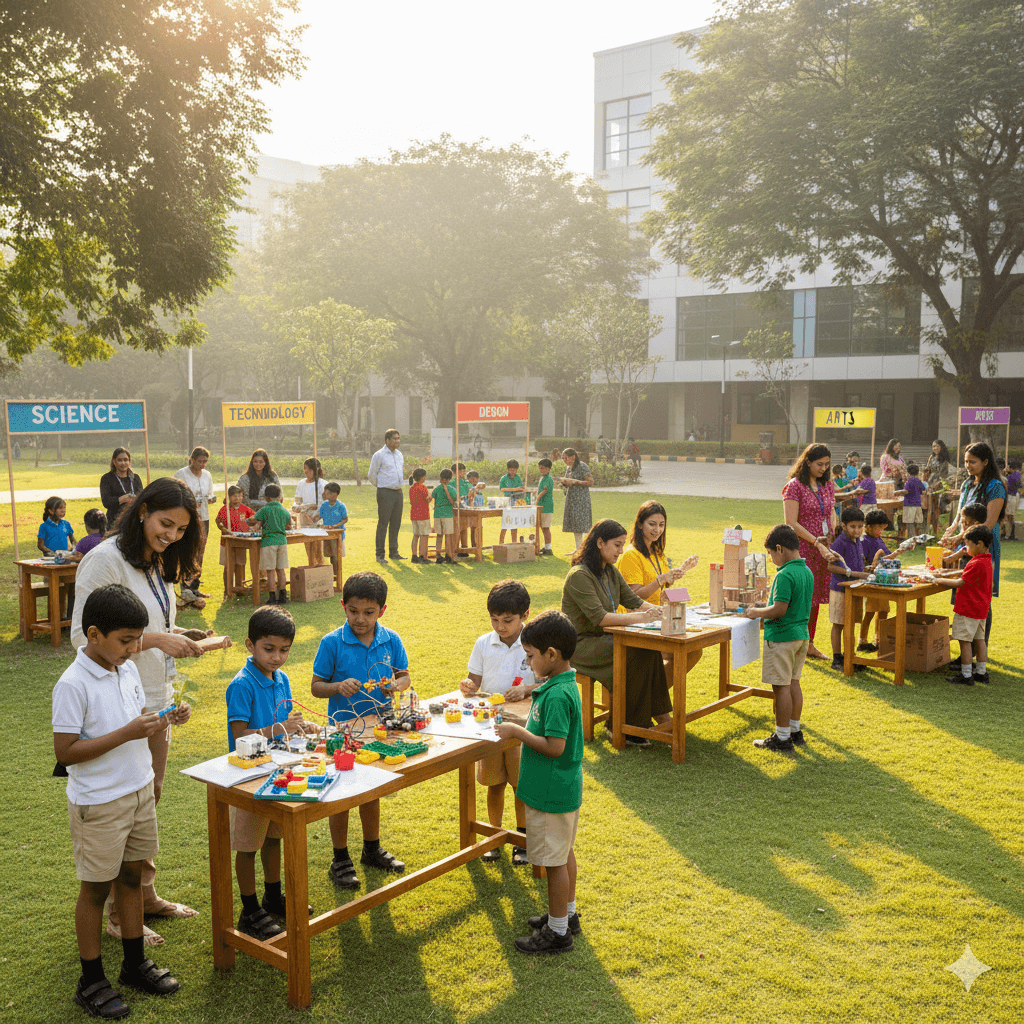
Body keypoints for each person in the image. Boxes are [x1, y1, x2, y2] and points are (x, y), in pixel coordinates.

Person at [71, 478, 206, 943]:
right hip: (115, 707)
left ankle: (144, 896)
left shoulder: (155, 560)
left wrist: (179, 634)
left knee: (149, 798)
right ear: (143, 510)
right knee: (120, 807)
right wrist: (157, 639)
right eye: (165, 524)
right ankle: (116, 915)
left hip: (155, 697)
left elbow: (147, 624)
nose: (171, 535)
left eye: (181, 530)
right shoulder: (104, 560)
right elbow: (81, 637)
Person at [54, 584, 190, 1018]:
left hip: (137, 790)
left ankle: (134, 964)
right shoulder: (73, 684)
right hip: (100, 801)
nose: (134, 649)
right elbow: (66, 752)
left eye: (137, 639)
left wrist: (167, 719)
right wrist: (128, 734)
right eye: (126, 640)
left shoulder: (125, 669)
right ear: (93, 634)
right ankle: (91, 979)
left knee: (132, 879)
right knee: (95, 890)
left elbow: (135, 724)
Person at [310, 572, 409, 890]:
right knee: (340, 795)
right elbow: (316, 687)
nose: (360, 619)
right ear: (343, 606)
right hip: (342, 732)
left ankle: (371, 848)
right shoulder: (331, 642)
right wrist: (338, 686)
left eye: (368, 612)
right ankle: (340, 858)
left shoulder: (390, 639)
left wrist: (396, 685)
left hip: (380, 729)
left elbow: (404, 676)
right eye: (353, 611)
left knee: (372, 788)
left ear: (382, 610)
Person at [495, 609, 583, 954]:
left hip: (551, 791)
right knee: (563, 853)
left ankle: (558, 932)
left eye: (530, 656)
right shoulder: (557, 685)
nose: (527, 662)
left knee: (554, 861)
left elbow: (555, 746)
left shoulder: (558, 696)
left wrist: (517, 731)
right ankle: (566, 915)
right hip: (559, 788)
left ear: (551, 655)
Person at [226, 606, 316, 939]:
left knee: (273, 837)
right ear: (250, 645)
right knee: (248, 846)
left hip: (280, 771)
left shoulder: (282, 678)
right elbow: (239, 739)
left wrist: (301, 728)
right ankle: (250, 910)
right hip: (250, 777)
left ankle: (272, 894)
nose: (277, 657)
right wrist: (280, 727)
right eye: (269, 649)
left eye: (284, 650)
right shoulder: (242, 685)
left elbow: (287, 722)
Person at [560, 519, 668, 744]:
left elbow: (634, 600)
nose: (621, 551)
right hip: (580, 645)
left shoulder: (609, 570)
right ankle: (621, 726)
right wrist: (641, 617)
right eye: (617, 545)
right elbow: (600, 618)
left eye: (622, 545)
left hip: (605, 638)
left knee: (651, 649)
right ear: (600, 543)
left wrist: (662, 611)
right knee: (636, 652)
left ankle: (654, 718)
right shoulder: (579, 575)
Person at [459, 580, 537, 867]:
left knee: (521, 785)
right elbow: (475, 681)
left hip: (520, 727)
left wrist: (526, 690)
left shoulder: (532, 644)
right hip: (489, 726)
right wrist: (468, 685)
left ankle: (522, 838)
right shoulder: (484, 642)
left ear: (524, 616)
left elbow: (543, 682)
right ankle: (494, 836)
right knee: (494, 784)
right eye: (494, 620)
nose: (500, 626)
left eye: (508, 620)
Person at [744, 525, 814, 752]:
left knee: (781, 687)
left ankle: (782, 738)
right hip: (801, 635)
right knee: (794, 683)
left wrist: (756, 612)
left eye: (771, 554)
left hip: (782, 637)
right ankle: (794, 730)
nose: (771, 559)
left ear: (779, 548)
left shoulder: (784, 574)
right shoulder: (806, 571)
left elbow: (779, 609)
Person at [942, 441, 1005, 645]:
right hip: (966, 545)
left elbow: (988, 523)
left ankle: (979, 648)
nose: (968, 466)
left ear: (985, 462)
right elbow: (960, 514)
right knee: (965, 596)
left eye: (973, 462)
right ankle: (968, 650)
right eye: (966, 461)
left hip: (983, 546)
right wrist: (951, 531)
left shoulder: (995, 486)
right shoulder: (967, 484)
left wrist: (959, 538)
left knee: (980, 598)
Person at [782, 443, 839, 660]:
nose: (824, 468)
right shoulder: (794, 486)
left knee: (814, 599)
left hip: (823, 549)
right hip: (802, 548)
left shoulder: (827, 484)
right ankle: (793, 643)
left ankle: (809, 644)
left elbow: (831, 510)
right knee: (800, 598)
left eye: (826, 464)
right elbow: (790, 522)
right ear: (807, 462)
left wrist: (832, 533)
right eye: (819, 464)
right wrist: (817, 542)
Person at [939, 525, 994, 685]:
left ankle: (966, 675)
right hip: (980, 609)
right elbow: (968, 577)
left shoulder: (975, 562)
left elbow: (959, 582)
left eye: (968, 545)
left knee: (964, 642)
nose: (966, 549)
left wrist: (938, 580)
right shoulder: (986, 561)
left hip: (968, 609)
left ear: (979, 544)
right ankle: (981, 673)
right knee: (979, 640)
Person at [617, 500, 688, 605]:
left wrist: (675, 574)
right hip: (637, 617)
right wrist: (660, 580)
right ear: (640, 524)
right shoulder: (631, 555)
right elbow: (633, 597)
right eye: (652, 524)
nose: (657, 530)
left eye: (661, 525)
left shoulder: (657, 552)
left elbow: (664, 584)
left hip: (656, 612)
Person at [828, 507, 871, 672]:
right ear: (844, 525)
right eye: (853, 526)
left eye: (860, 526)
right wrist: (853, 573)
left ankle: (850, 656)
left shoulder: (858, 541)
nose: (857, 530)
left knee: (851, 624)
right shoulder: (839, 543)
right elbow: (830, 566)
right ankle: (837, 658)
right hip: (840, 590)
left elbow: (857, 562)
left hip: (855, 589)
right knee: (839, 624)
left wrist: (867, 569)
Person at [174, 446, 216, 608]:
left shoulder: (207, 475)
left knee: (200, 551)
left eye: (205, 461)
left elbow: (210, 493)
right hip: (187, 518)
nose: (203, 464)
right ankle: (185, 587)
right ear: (192, 459)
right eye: (200, 461)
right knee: (188, 550)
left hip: (203, 517)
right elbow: (177, 495)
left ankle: (195, 585)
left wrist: (211, 499)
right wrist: (190, 502)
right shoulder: (181, 474)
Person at [247, 483, 290, 605]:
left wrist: (247, 520)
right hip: (282, 541)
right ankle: (283, 595)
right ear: (279, 495)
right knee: (280, 569)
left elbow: (252, 520)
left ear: (266, 497)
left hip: (269, 542)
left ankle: (272, 596)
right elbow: (288, 523)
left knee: (270, 570)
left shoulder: (265, 509)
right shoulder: (283, 509)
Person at [367, 428, 405, 565]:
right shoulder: (379, 455)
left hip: (398, 492)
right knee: (383, 523)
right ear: (387, 440)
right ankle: (380, 554)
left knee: (396, 523)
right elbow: (372, 474)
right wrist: (381, 486)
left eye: (398, 438)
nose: (397, 441)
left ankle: (394, 552)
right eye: (395, 438)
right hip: (385, 492)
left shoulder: (399, 454)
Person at [857, 509, 892, 652]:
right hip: (873, 581)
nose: (881, 531)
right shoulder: (864, 541)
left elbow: (888, 555)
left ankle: (878, 639)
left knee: (883, 611)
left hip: (883, 580)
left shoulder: (878, 539)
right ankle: (863, 640)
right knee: (871, 611)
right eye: (879, 528)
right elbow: (861, 562)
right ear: (868, 527)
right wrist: (869, 566)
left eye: (883, 528)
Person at [215, 486, 254, 596]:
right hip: (228, 542)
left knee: (240, 564)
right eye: (235, 496)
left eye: (240, 496)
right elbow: (218, 522)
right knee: (228, 566)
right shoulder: (225, 509)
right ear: (229, 497)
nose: (237, 498)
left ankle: (239, 588)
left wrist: (253, 526)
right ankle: (228, 589)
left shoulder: (245, 509)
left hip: (241, 542)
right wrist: (224, 530)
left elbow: (254, 517)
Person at [292, 457, 326, 566]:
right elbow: (297, 501)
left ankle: (321, 568)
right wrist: (299, 509)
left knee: (317, 547)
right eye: (304, 469)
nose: (306, 471)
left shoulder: (323, 484)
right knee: (308, 546)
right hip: (304, 518)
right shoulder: (301, 483)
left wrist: (317, 516)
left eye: (309, 469)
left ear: (316, 470)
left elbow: (325, 503)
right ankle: (312, 566)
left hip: (317, 520)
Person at [559, 447, 594, 555]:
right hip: (572, 497)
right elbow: (568, 482)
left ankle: (587, 548)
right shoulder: (569, 468)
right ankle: (578, 548)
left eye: (566, 458)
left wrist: (576, 482)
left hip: (581, 498)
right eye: (563, 459)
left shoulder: (582, 466)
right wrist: (564, 483)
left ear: (573, 457)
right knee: (575, 523)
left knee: (582, 522)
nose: (564, 461)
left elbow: (590, 482)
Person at [99, 448, 143, 525]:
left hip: (134, 520)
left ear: (129, 461)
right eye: (120, 460)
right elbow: (106, 502)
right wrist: (121, 499)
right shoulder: (107, 478)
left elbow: (142, 498)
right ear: (114, 461)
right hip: (114, 521)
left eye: (126, 460)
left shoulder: (135, 478)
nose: (123, 463)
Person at [318, 482, 348, 569]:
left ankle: (338, 573)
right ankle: (332, 573)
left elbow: (345, 519)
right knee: (330, 555)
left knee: (336, 556)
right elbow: (320, 516)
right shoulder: (324, 505)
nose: (326, 495)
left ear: (335, 494)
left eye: (328, 493)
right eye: (326, 493)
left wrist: (336, 525)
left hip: (337, 535)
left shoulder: (341, 506)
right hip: (327, 534)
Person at [431, 468, 458, 565]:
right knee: (447, 535)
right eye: (444, 479)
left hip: (438, 514)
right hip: (446, 514)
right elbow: (454, 501)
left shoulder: (438, 488)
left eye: (445, 479)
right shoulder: (450, 489)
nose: (444, 481)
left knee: (440, 535)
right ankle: (446, 555)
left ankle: (441, 555)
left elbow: (432, 497)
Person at [408, 468, 432, 564]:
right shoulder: (422, 487)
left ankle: (414, 555)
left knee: (416, 535)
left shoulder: (412, 488)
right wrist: (431, 495)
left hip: (414, 514)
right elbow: (427, 499)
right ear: (422, 477)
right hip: (423, 514)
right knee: (424, 535)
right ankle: (423, 556)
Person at [499, 460, 524, 544]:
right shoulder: (504, 478)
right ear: (508, 469)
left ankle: (514, 542)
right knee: (505, 523)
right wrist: (515, 489)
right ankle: (501, 543)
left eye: (514, 470)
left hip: (516, 501)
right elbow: (502, 489)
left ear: (517, 469)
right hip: (507, 501)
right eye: (511, 470)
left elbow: (521, 488)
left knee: (514, 523)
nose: (512, 472)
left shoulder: (518, 478)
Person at [898, 463, 926, 538]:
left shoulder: (909, 481)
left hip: (909, 504)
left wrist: (899, 492)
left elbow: (906, 491)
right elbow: (923, 491)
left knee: (909, 523)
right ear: (917, 473)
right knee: (918, 522)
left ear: (908, 473)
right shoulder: (918, 481)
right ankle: (921, 539)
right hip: (917, 505)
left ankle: (911, 539)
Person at [535, 459, 555, 556]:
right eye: (540, 468)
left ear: (548, 468)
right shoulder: (542, 478)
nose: (541, 470)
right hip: (541, 506)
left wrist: (537, 500)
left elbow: (544, 491)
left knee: (545, 527)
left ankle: (548, 548)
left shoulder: (548, 478)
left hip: (546, 506)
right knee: (542, 527)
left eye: (543, 468)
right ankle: (546, 546)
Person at [1005, 460, 1020, 541]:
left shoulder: (1010, 477)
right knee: (1011, 516)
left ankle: (1009, 534)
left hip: (1010, 496)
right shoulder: (1017, 474)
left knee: (1008, 516)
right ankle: (1011, 534)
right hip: (1015, 496)